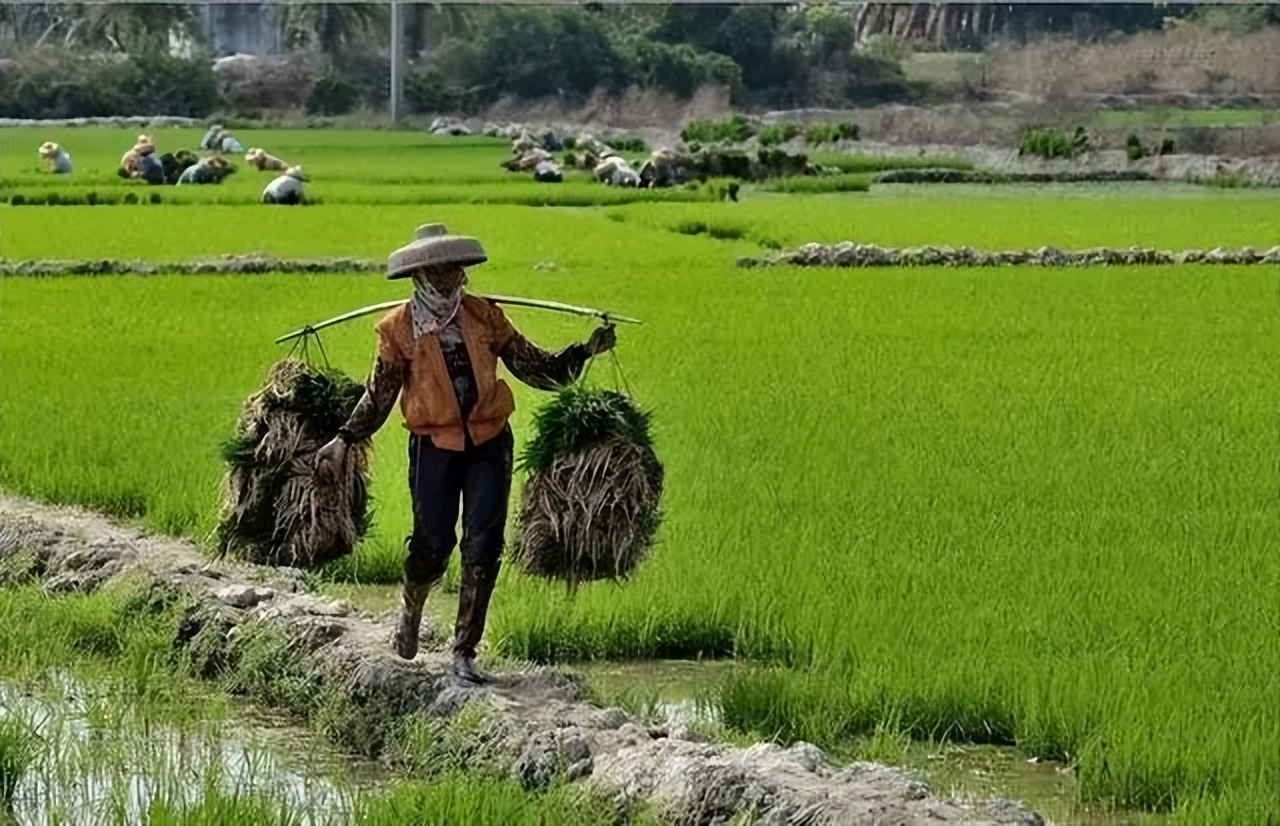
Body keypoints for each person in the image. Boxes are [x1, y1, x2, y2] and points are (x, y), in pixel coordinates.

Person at [313, 224, 617, 683]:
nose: (444, 277)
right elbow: (379, 396)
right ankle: (411, 607)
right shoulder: (398, 329)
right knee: (431, 546)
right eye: (434, 270)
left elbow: (536, 369)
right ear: (419, 275)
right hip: (433, 445)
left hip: (488, 441)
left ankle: (464, 651)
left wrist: (585, 352)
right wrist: (343, 438)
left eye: (452, 268)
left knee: (484, 543)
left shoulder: (484, 317)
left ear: (462, 271)